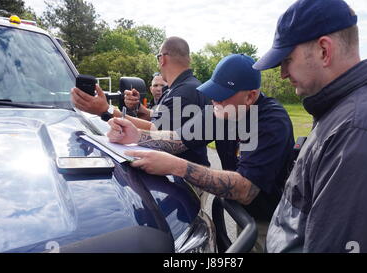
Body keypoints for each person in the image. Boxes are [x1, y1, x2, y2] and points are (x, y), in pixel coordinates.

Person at [252, 0, 367, 253]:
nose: (282, 73)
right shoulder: (347, 113)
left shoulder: (358, 134)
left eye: (287, 59)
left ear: (324, 50)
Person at [106, 54, 295, 252]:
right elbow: (179, 139)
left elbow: (246, 190)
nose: (214, 99)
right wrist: (137, 136)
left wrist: (175, 166)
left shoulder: (271, 122)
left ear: (250, 96)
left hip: (272, 223)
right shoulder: (222, 110)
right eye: (213, 91)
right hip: (245, 217)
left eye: (222, 94)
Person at [71, 36, 211, 167]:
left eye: (158, 59)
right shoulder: (184, 87)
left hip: (185, 180)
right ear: (189, 59)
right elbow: (162, 118)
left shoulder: (183, 92)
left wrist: (106, 110)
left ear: (162, 59)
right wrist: (139, 108)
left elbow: (156, 135)